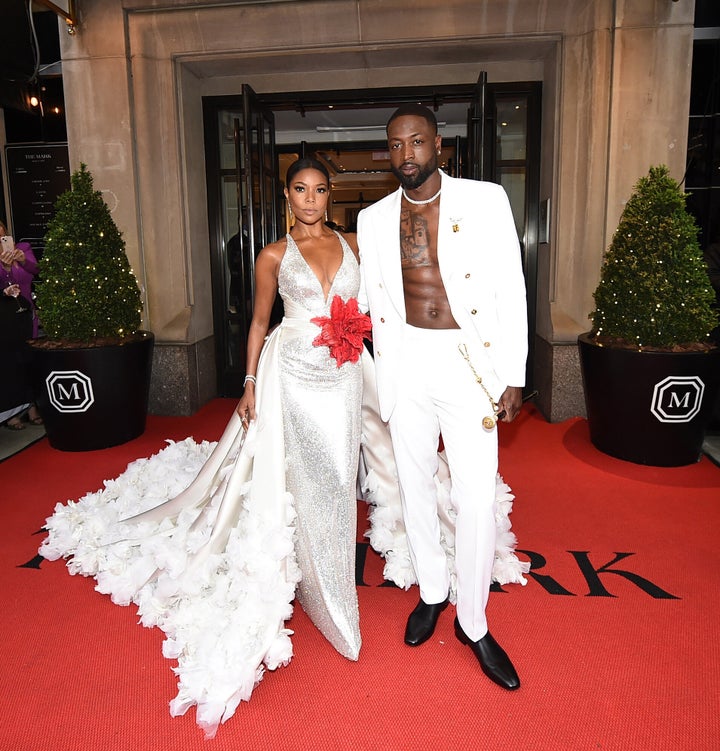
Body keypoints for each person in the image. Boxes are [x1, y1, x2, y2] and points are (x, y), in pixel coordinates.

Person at [40, 158, 527, 737]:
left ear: (330, 195)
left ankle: (420, 592)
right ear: (286, 195)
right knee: (306, 478)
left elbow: (397, 295)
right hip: (291, 375)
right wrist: (247, 384)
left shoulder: (357, 242)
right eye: (300, 189)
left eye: (321, 190)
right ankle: (327, 594)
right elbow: (257, 323)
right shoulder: (271, 255)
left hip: (346, 375)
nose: (311, 199)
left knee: (350, 473)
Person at [357, 104, 529, 691]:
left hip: (466, 361)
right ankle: (432, 591)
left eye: (416, 142)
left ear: (438, 144)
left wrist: (513, 372)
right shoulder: (374, 217)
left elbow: (511, 285)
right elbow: (372, 296)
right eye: (395, 145)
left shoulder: (485, 201)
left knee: (476, 496)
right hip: (406, 363)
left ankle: (475, 623)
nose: (406, 154)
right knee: (414, 484)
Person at [0, 221, 42, 429]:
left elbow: (35, 270)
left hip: (26, 315)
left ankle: (33, 406)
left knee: (29, 359)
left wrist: (23, 260)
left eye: (2, 235)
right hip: (6, 321)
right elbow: (5, 285)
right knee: (11, 364)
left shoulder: (23, 248)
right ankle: (12, 414)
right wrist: (6, 268)